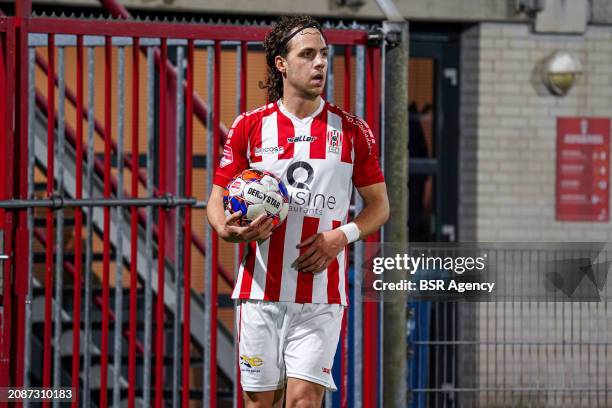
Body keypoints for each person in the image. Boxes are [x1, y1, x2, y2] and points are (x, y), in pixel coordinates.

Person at [207, 15, 389, 408]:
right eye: (308, 54)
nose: (320, 63)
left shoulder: (353, 132)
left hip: (321, 296)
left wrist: (341, 236)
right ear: (281, 64)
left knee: (304, 400)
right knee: (260, 403)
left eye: (324, 54)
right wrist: (225, 229)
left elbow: (379, 207)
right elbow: (217, 197)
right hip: (260, 294)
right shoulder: (249, 126)